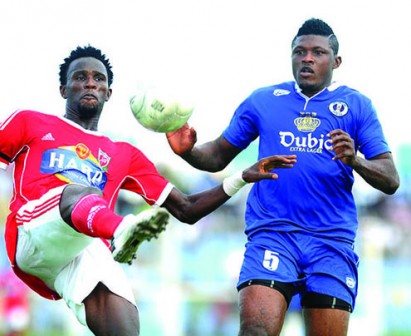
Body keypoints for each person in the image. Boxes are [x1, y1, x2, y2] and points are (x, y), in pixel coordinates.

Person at [0, 45, 297, 336]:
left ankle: (119, 232)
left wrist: (240, 178)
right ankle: (122, 230)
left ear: (109, 93)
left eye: (99, 79)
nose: (90, 82)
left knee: (124, 326)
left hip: (85, 245)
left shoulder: (123, 154)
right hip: (33, 231)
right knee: (80, 192)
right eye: (80, 77)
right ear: (64, 89)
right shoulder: (31, 122)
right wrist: (119, 228)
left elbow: (187, 209)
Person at [166, 18, 400, 336]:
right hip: (273, 235)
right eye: (299, 51)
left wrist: (356, 161)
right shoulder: (263, 101)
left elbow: (391, 179)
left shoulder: (357, 106)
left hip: (331, 242)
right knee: (255, 332)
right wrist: (188, 152)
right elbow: (217, 154)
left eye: (318, 52)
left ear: (336, 61)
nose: (307, 58)